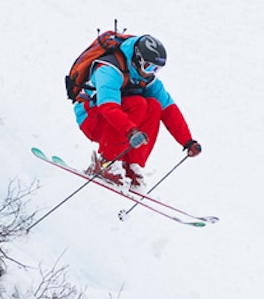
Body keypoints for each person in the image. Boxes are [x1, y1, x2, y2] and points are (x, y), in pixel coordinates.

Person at [71, 33, 201, 187]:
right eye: (148, 66)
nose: (150, 72)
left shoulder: (146, 78)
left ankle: (131, 166)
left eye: (156, 69)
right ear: (137, 59)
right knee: (138, 103)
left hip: (120, 125)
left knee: (154, 106)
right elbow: (108, 106)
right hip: (91, 117)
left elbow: (169, 109)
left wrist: (187, 140)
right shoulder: (108, 69)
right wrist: (131, 131)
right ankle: (106, 163)